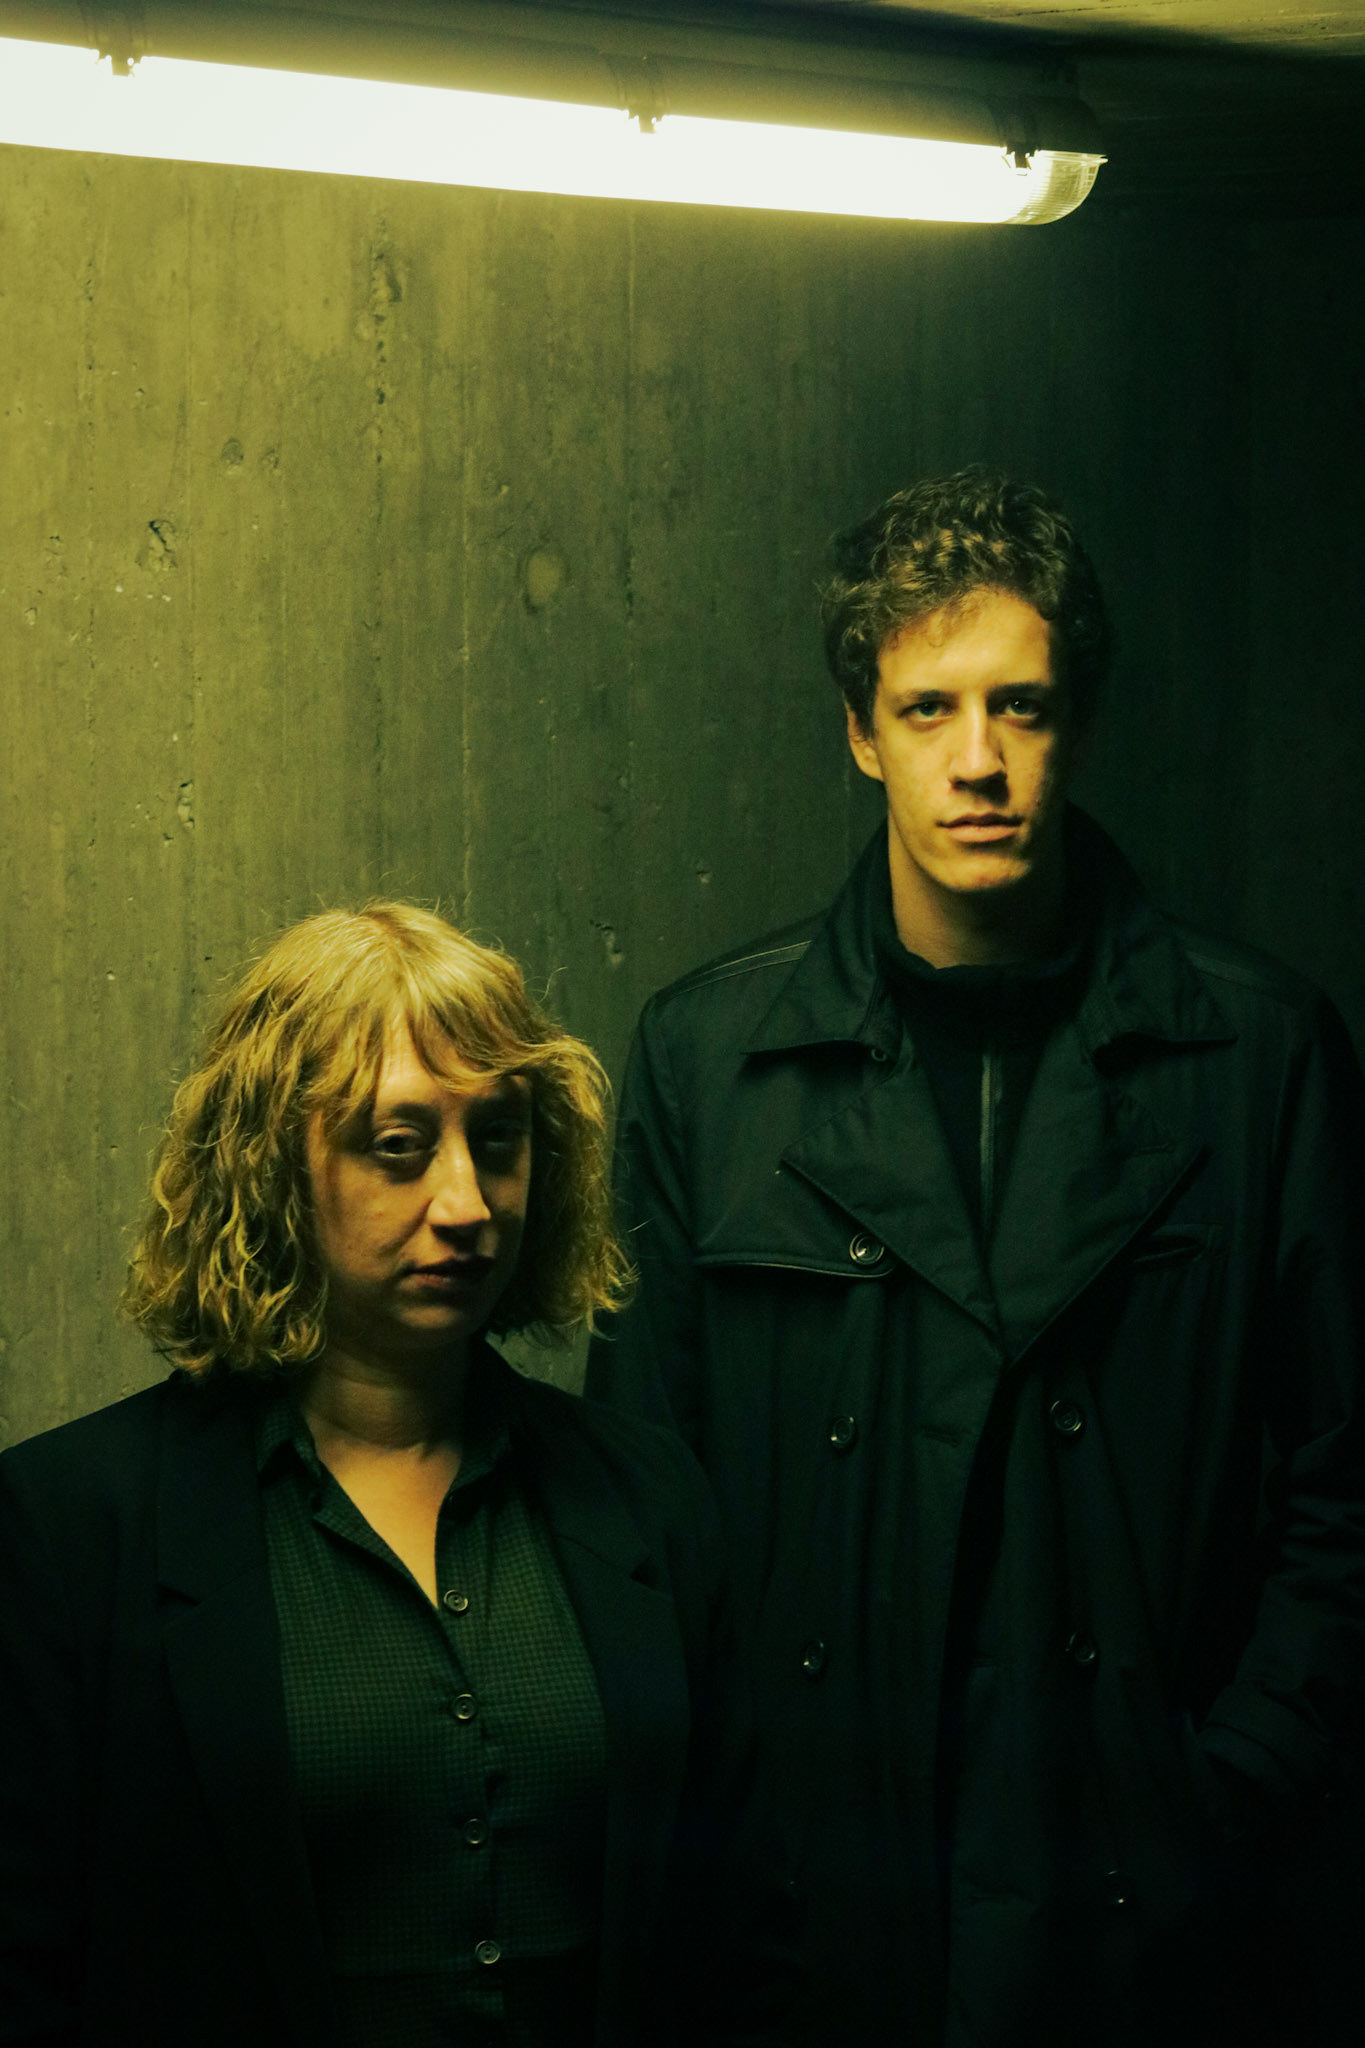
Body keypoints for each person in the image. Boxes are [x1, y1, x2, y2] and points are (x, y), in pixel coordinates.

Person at [587, 469, 1365, 2047]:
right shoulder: (708, 1060)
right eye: (927, 710)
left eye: (1020, 706)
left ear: (1078, 722)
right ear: (860, 735)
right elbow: (641, 1502)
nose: (979, 762)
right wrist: (735, 1820)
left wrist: (1229, 1785)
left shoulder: (1257, 1052)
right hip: (814, 1896)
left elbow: (1348, 1485)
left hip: (1141, 1898)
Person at [0, 903, 791, 2048]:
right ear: (273, 1167)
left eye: (499, 1138)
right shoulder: (70, 1526)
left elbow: (743, 1944)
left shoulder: (648, 1498)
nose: (466, 1203)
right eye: (399, 1144)